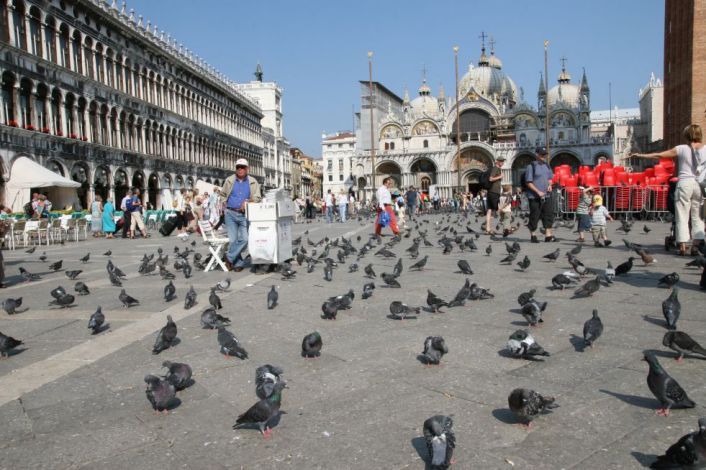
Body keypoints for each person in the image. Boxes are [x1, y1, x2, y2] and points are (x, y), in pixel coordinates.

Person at [632, 124, 705, 256]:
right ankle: (696, 246)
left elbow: (660, 155)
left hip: (684, 183)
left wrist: (642, 155)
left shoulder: (682, 148)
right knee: (697, 217)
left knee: (682, 216)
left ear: (687, 135)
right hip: (698, 185)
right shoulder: (705, 149)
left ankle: (683, 246)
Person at [220, 158, 261, 272]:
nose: (240, 169)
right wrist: (224, 206)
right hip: (230, 213)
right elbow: (222, 194)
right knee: (233, 240)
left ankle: (229, 257)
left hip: (244, 214)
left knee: (245, 239)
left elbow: (258, 197)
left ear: (247, 169)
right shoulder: (229, 180)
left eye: (242, 167)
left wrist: (248, 201)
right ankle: (238, 263)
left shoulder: (252, 181)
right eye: (238, 167)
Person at [525, 146, 556, 243]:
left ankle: (548, 236)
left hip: (547, 195)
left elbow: (550, 178)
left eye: (545, 154)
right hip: (534, 196)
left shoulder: (547, 166)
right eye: (542, 154)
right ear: (537, 155)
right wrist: (538, 192)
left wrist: (550, 185)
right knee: (535, 216)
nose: (544, 156)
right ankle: (533, 236)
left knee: (548, 215)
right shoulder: (531, 166)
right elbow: (528, 182)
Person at [485, 156, 505, 234]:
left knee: (489, 210)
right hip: (494, 192)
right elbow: (491, 179)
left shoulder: (496, 169)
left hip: (491, 192)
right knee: (497, 210)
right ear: (497, 161)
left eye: (503, 161)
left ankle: (488, 228)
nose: (502, 163)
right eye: (501, 161)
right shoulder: (496, 168)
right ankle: (505, 227)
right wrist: (500, 176)